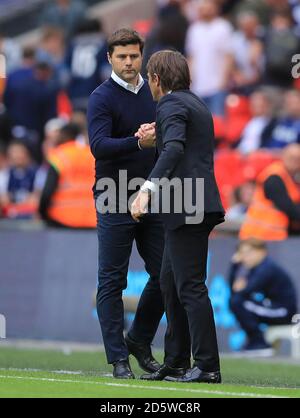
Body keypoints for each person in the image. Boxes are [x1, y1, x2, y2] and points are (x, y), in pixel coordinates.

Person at [131, 50, 225, 383]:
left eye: (149, 78)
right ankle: (176, 361)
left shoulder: (170, 105)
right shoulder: (194, 103)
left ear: (156, 78)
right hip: (193, 203)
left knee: (190, 287)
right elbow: (178, 143)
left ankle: (207, 365)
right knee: (170, 284)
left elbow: (175, 149)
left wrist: (146, 191)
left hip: (187, 205)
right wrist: (155, 139)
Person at [87, 29, 164, 379]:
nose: (129, 62)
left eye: (134, 56)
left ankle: (138, 339)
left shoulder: (156, 92)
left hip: (153, 194)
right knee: (112, 280)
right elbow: (99, 146)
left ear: (142, 56)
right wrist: (138, 143)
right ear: (110, 59)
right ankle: (118, 359)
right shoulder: (101, 98)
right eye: (122, 56)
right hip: (113, 194)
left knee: (168, 273)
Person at [229, 239, 297, 355]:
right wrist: (234, 266)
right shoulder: (256, 268)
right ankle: (256, 341)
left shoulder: (267, 267)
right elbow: (233, 289)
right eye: (241, 253)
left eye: (248, 253)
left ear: (262, 252)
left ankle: (260, 343)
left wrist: (241, 287)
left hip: (284, 312)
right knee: (237, 301)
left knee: (237, 302)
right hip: (272, 307)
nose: (244, 257)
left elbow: (245, 291)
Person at [39, 122, 95, 228]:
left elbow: (47, 191)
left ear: (65, 135)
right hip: (92, 219)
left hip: (61, 219)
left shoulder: (59, 156)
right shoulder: (92, 155)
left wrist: (42, 213)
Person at [240, 143, 300, 240]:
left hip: (271, 236)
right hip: (258, 237)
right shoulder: (274, 177)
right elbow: (288, 206)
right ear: (283, 155)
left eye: (297, 159)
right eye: (291, 157)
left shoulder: (290, 177)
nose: (294, 161)